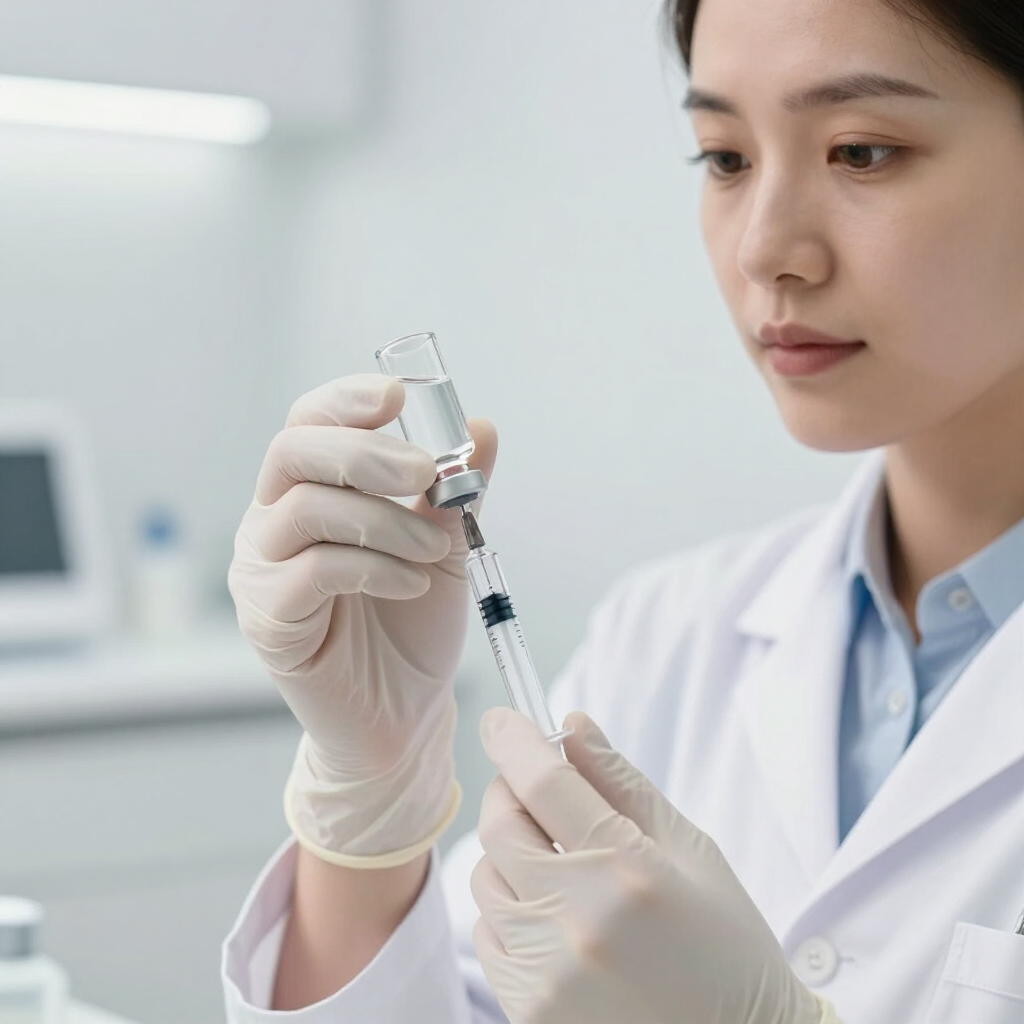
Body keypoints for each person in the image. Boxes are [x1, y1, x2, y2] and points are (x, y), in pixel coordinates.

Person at [221, 0, 1024, 1019]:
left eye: (860, 151)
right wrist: (369, 803)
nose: (766, 249)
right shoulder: (666, 636)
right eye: (725, 157)